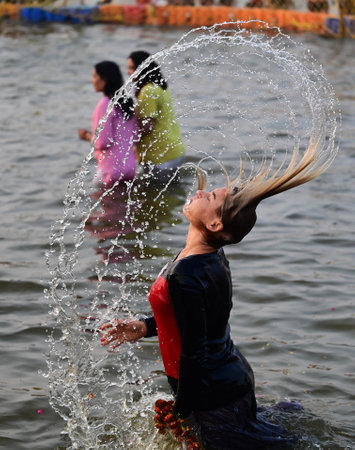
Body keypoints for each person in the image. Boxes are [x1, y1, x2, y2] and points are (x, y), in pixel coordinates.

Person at [100, 138, 332, 448]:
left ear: (214, 222)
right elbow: (197, 321)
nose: (198, 192)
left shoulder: (188, 271)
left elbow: (195, 352)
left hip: (212, 393)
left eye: (208, 196)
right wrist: (145, 326)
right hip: (226, 380)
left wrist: (181, 411)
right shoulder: (205, 259)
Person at [127, 51, 185, 180]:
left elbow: (146, 127)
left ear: (141, 69)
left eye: (131, 68)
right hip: (173, 150)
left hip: (160, 157)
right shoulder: (160, 86)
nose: (128, 72)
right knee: (170, 194)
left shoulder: (147, 91)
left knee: (157, 197)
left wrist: (125, 130)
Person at [78, 61, 138, 188]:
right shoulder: (127, 103)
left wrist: (87, 136)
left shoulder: (105, 104)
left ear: (104, 80)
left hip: (110, 171)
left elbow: (102, 142)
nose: (92, 80)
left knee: (102, 205)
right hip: (130, 168)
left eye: (95, 76)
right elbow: (135, 135)